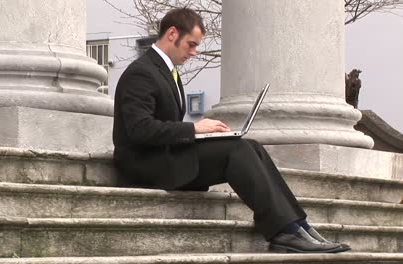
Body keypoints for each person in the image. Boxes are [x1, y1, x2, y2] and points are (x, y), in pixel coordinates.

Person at [112, 7, 350, 253]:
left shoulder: (166, 71)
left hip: (166, 155)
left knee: (251, 147)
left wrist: (204, 133)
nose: (194, 52)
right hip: (145, 165)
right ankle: (284, 232)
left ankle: (298, 225)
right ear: (172, 33)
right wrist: (194, 129)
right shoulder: (141, 73)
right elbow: (140, 130)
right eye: (191, 44)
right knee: (235, 150)